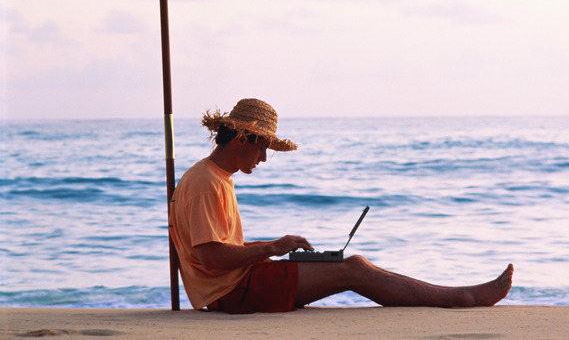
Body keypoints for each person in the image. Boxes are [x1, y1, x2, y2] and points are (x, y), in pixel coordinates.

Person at [169, 98, 514, 314]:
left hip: (237, 284)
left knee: (353, 263)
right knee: (354, 270)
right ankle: (461, 298)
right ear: (244, 138)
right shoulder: (206, 182)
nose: (263, 158)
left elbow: (217, 249)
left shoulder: (214, 177)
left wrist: (274, 248)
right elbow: (210, 257)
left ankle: (457, 295)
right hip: (234, 293)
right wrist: (273, 247)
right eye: (262, 148)